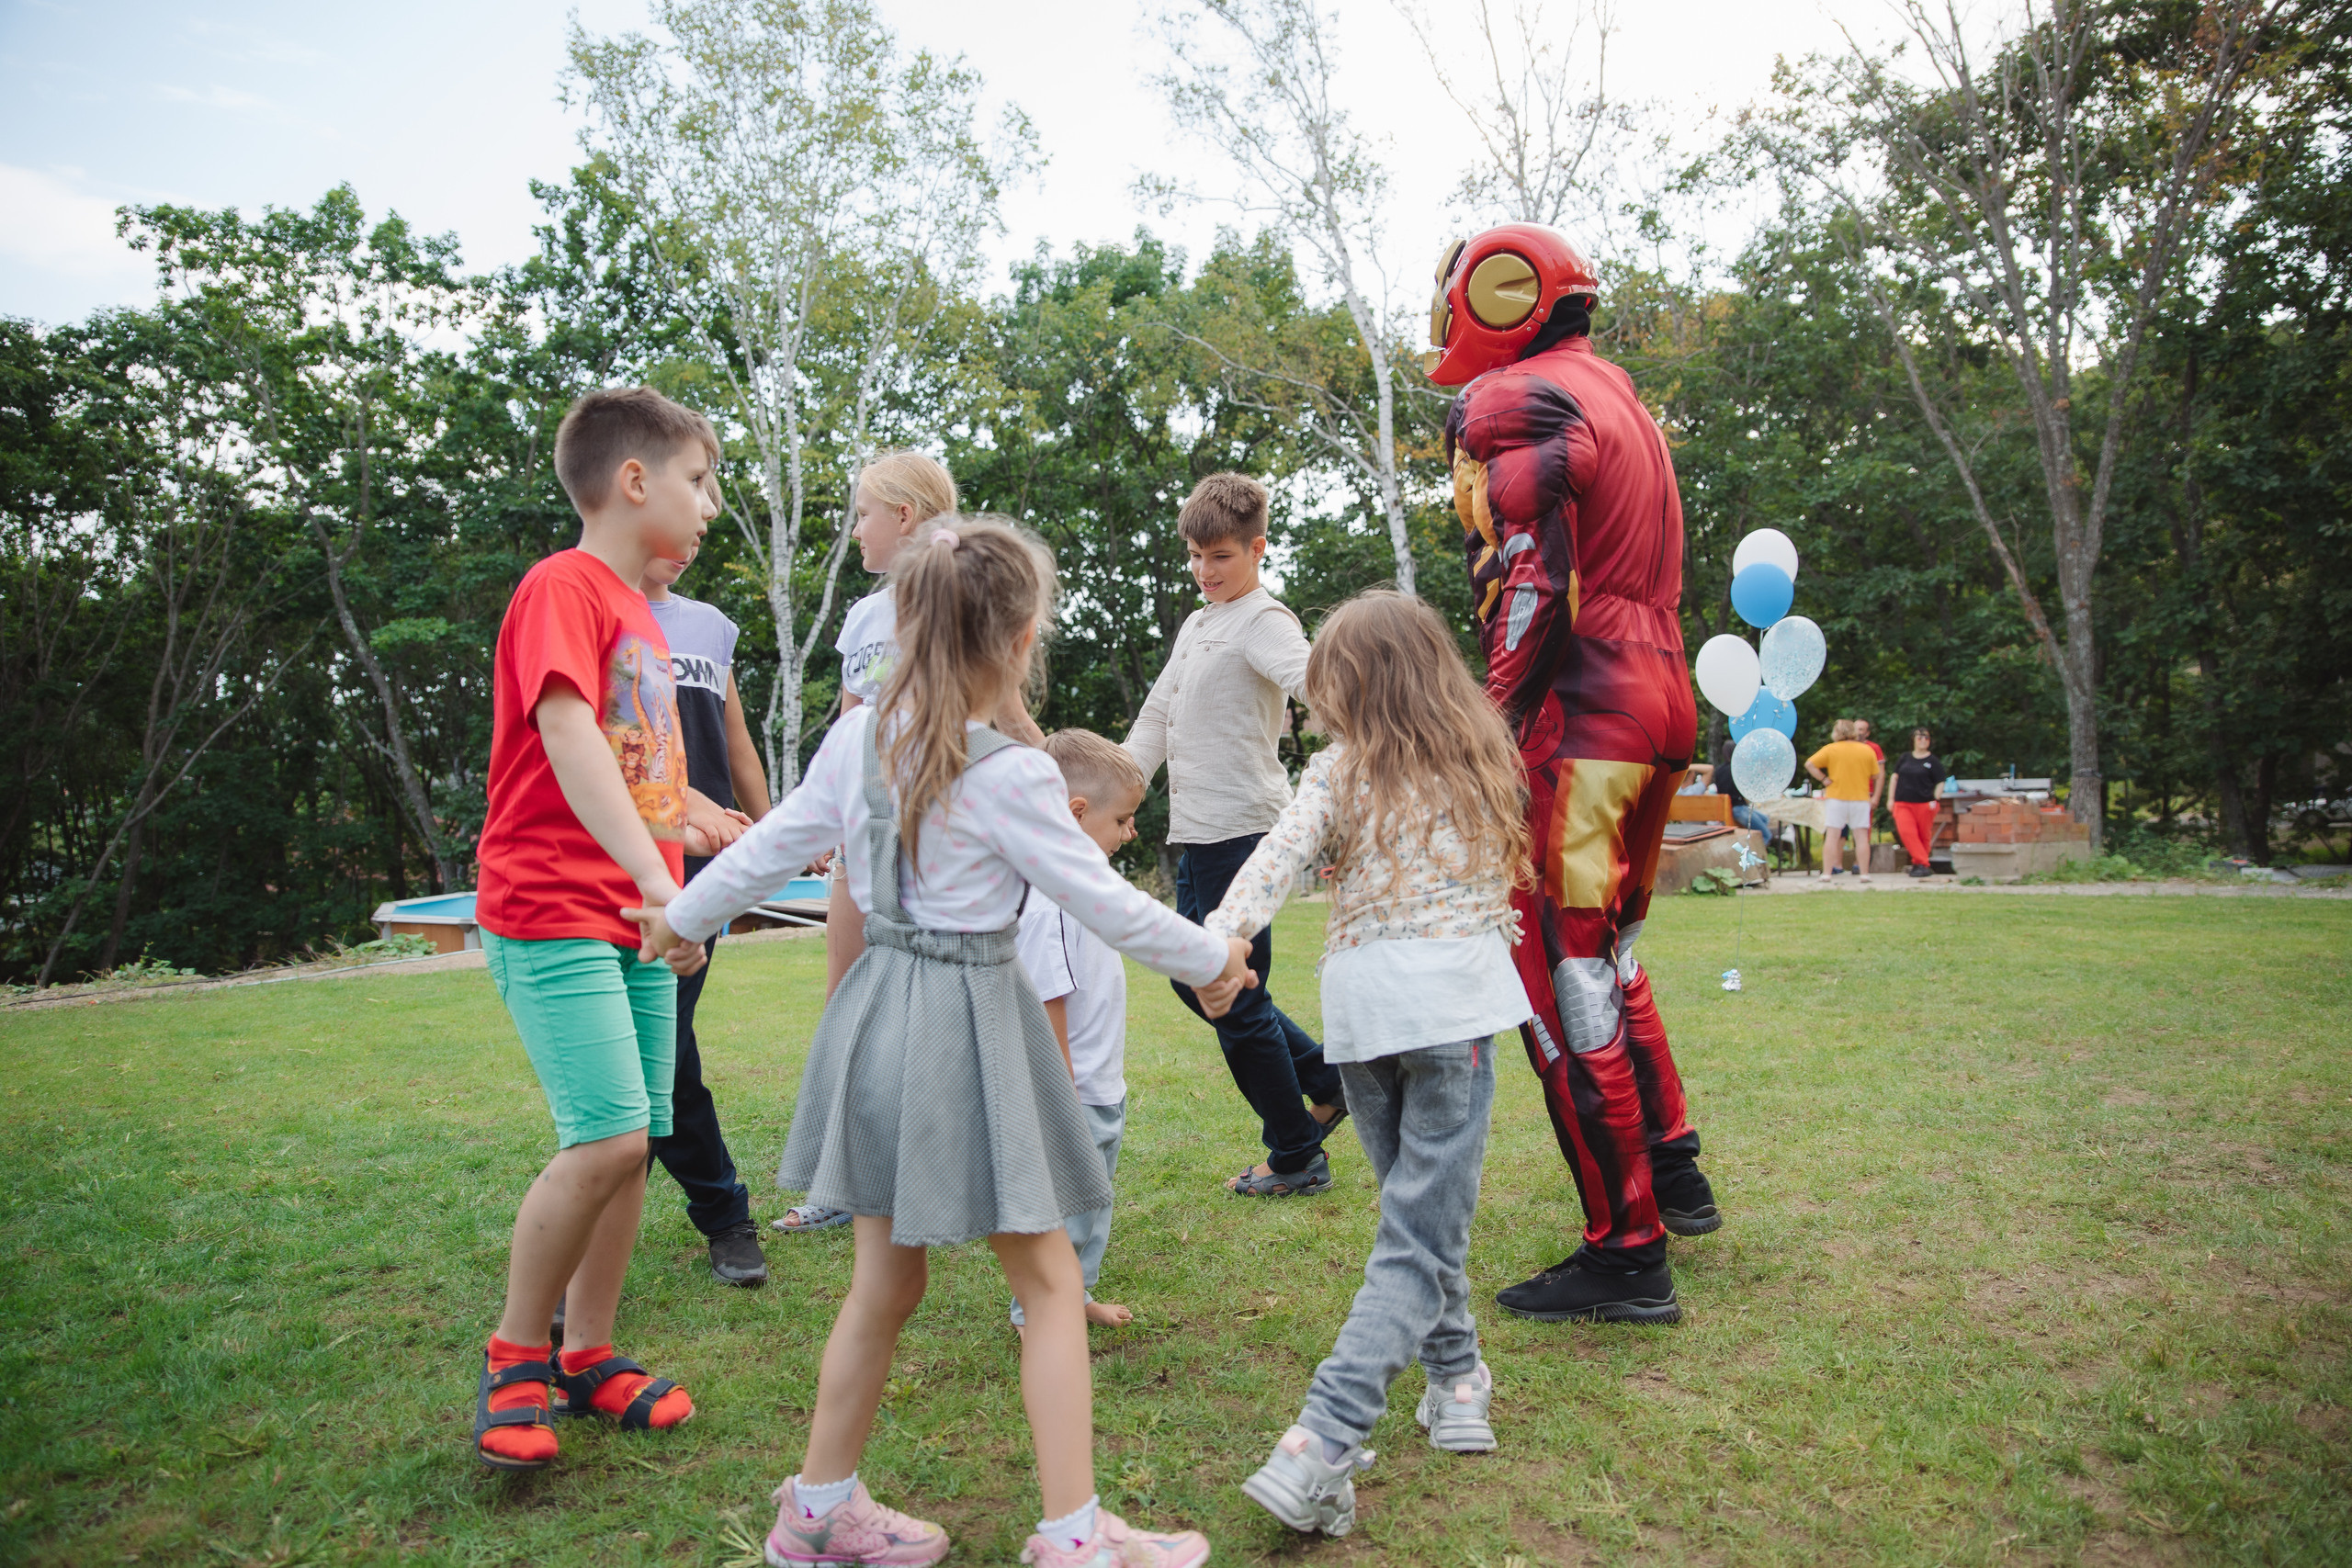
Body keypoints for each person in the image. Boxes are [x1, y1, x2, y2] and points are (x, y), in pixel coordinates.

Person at [637, 517, 1252, 1568]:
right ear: (1017, 642)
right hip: (964, 1021)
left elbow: (769, 849)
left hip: (876, 1014)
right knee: (1051, 1281)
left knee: (887, 1279)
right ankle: (1072, 1537)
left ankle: (820, 1508)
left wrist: (677, 920)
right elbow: (1102, 901)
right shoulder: (1010, 773)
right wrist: (1211, 960)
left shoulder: (857, 740)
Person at [1427, 222, 1720, 1325]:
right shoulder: (1620, 398)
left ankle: (1625, 1248)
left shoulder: (1523, 402)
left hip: (1582, 710)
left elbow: (1535, 582)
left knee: (1559, 972)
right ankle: (1672, 1166)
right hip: (1657, 693)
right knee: (1613, 954)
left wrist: (1490, 721)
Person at [1203, 592, 1533, 1539]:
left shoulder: (1340, 772)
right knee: (1419, 1233)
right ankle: (1324, 1437)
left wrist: (1221, 937)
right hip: (1450, 1015)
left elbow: (1276, 860)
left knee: (1414, 1222)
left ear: (1351, 689)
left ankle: (1456, 1379)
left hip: (1366, 1017)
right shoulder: (1479, 761)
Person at [468, 386, 714, 1471]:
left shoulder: (641, 614)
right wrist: (652, 884)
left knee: (637, 1146)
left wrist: (695, 855)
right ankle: (519, 1350)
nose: (708, 507)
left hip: (636, 915)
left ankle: (589, 1352)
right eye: (698, 481)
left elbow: (643, 775)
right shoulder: (560, 586)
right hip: (553, 907)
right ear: (633, 481)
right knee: (605, 1134)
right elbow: (567, 731)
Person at [776, 451, 1045, 1238]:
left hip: (951, 851)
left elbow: (1005, 703)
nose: (855, 529)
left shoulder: (965, 591)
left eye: (862, 512)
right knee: (848, 1008)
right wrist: (825, 811)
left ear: (902, 514)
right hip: (871, 847)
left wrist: (1060, 779)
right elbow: (851, 716)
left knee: (956, 1013)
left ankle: (958, 1169)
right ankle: (841, 1180)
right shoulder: (864, 616)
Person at [1124, 472, 1347, 1198]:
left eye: (1219, 556)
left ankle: (1295, 1154)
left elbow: (1317, 680)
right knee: (1206, 982)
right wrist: (1110, 792)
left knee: (1230, 994)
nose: (1203, 570)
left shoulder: (1263, 619)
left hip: (1245, 833)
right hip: (1198, 835)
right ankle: (1324, 1078)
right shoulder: (1197, 623)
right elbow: (1157, 716)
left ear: (1256, 548)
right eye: (1193, 555)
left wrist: (1372, 732)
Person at [642, 537, 774, 1287]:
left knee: (661, 1041)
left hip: (700, 868)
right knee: (657, 1050)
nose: (692, 536)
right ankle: (723, 1211)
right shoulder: (594, 612)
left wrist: (777, 830)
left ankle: (723, 1213)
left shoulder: (709, 625)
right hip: (626, 858)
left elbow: (735, 742)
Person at [1008, 729, 1152, 1336]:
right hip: (1074, 1092)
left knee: (1092, 1203)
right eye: (1123, 818)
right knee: (1066, 1207)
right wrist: (1061, 1095)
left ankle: (1075, 1293)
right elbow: (1049, 1001)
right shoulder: (1050, 903)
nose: (1131, 832)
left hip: (1099, 1083)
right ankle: (1038, 1313)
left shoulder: (1081, 892)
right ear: (1077, 813)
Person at [1805, 719, 1882, 882]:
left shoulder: (1831, 749)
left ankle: (1827, 873)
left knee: (1832, 834)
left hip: (1836, 797)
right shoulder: (1866, 750)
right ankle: (1864, 873)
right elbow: (1876, 774)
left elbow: (1810, 764)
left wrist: (1824, 779)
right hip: (1860, 797)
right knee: (1861, 836)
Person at [1886, 727, 1947, 876]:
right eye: (1919, 738)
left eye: (1926, 738)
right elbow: (1894, 778)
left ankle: (1918, 864)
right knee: (1907, 832)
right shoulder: (1905, 758)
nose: (1923, 741)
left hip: (1924, 803)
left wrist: (1936, 798)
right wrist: (1890, 799)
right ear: (1913, 740)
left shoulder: (1932, 761)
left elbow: (1941, 781)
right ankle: (1924, 862)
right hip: (1903, 802)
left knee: (1923, 835)